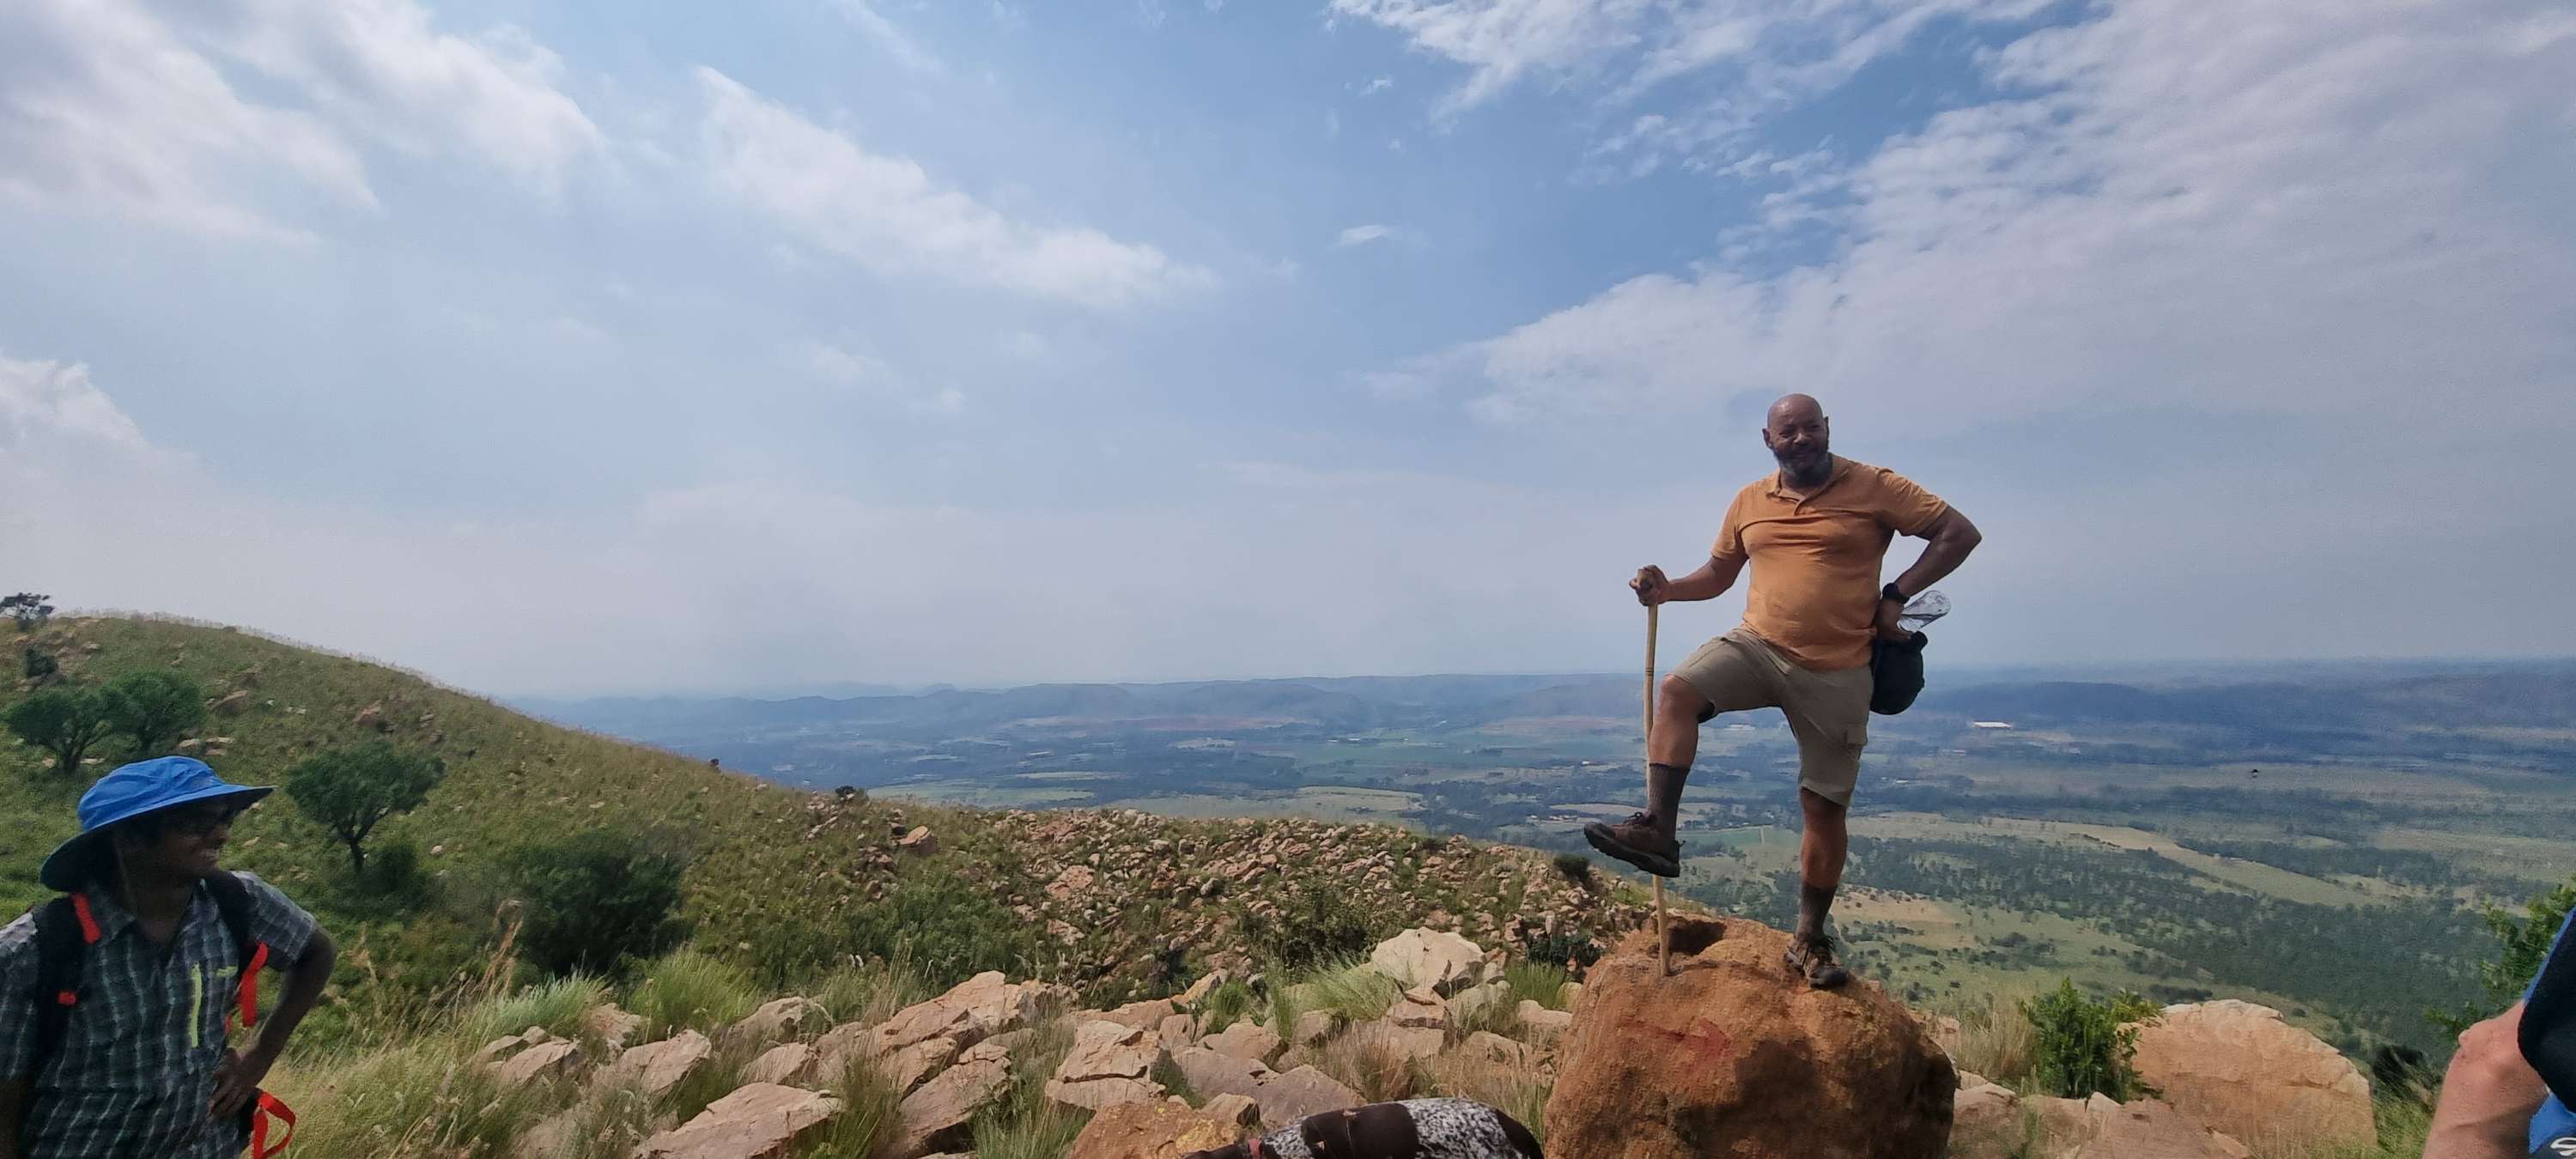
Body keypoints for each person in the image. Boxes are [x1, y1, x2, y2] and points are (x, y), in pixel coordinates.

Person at [1584, 393, 1981, 989]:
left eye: (1810, 427)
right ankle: (1658, 831)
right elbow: (1719, 575)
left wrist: (1896, 594)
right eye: (1787, 431)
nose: (1800, 439)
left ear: (1828, 429)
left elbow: (1958, 533)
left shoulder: (1875, 485)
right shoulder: (1750, 500)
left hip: (1839, 666)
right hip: (1758, 646)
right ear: (1768, 440)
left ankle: (1809, 939)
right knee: (1679, 690)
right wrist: (1667, 590)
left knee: (1823, 806)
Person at [1, 756, 336, 1159]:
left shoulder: (238, 902)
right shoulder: (34, 950)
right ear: (128, 839)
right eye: (195, 823)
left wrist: (258, 1057)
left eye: (225, 818)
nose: (221, 835)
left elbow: (317, 952)